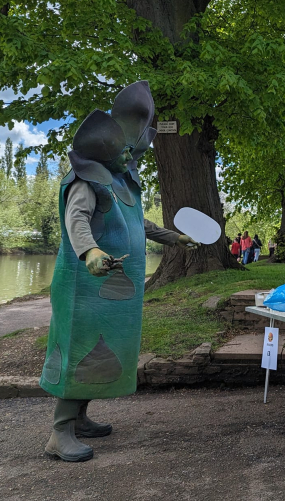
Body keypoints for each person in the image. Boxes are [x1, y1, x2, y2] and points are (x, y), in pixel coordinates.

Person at [40, 81, 198, 462]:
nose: (130, 153)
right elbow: (76, 219)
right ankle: (59, 432)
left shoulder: (118, 181)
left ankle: (80, 418)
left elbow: (135, 223)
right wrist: (90, 250)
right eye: (124, 149)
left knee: (102, 352)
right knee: (80, 349)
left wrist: (173, 238)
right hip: (85, 285)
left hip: (113, 287)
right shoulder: (86, 181)